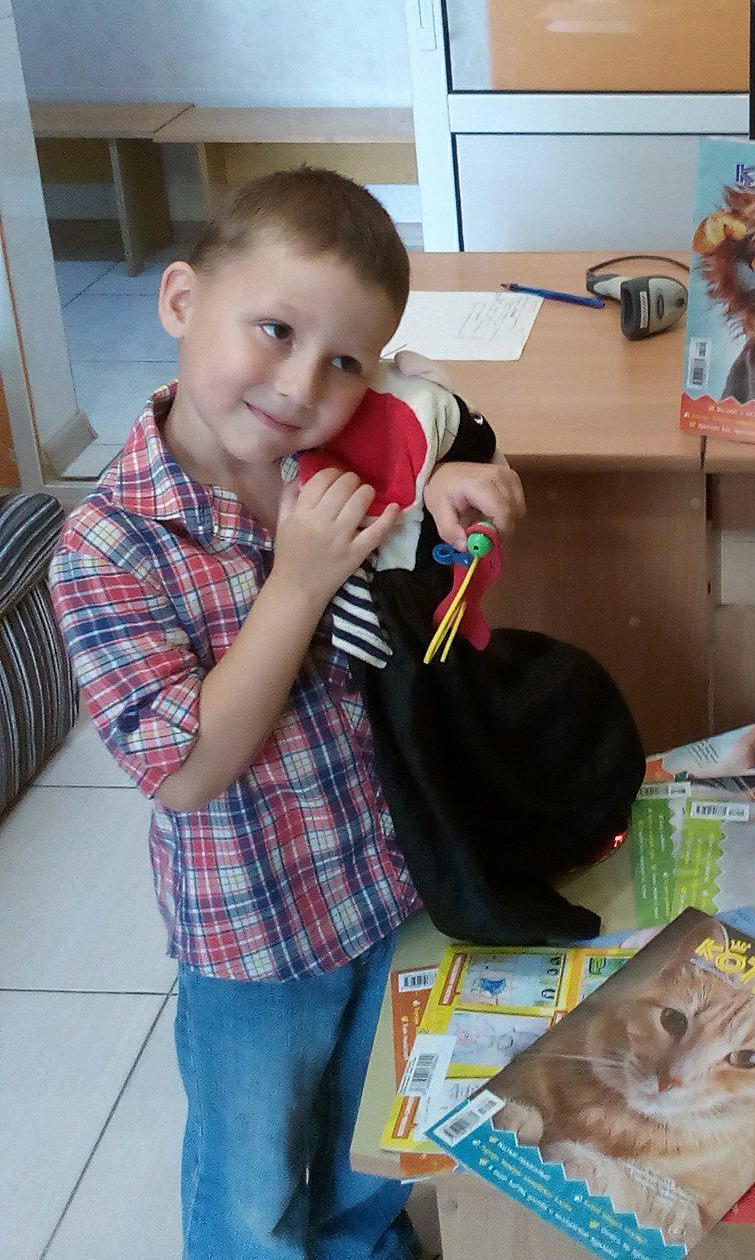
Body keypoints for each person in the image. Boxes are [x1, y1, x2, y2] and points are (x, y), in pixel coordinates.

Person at [49, 167, 522, 1259]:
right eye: (274, 330)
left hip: (384, 886)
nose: (302, 384)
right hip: (253, 937)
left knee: (369, 1143)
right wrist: (299, 582)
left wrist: (466, 476)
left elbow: (436, 424)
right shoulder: (107, 547)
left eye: (344, 362)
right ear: (182, 301)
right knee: (254, 1177)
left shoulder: (332, 457)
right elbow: (185, 771)